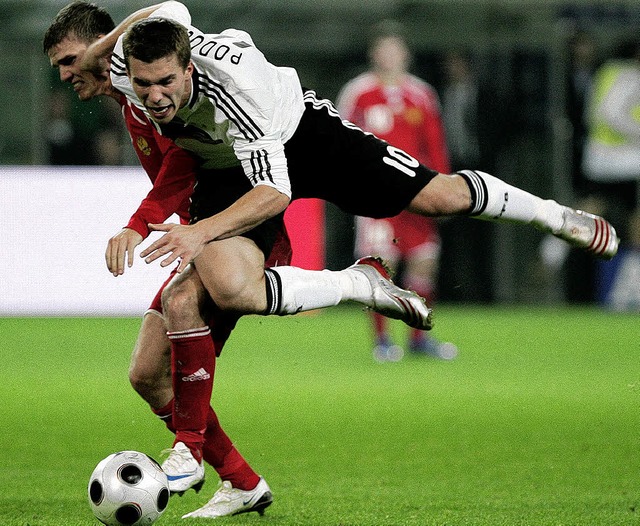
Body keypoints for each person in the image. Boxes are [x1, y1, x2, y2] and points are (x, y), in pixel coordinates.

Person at [83, 1, 619, 517]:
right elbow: (168, 8)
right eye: (143, 83)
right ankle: (211, 462)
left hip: (302, 137)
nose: (154, 96)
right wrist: (100, 50)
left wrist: (198, 232)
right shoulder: (127, 63)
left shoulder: (235, 90)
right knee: (193, 303)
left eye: (166, 83)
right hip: (233, 169)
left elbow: (274, 193)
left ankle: (553, 215)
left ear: (189, 66)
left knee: (439, 198)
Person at [43, 2, 294, 517]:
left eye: (70, 60)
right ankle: (243, 482)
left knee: (182, 305)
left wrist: (138, 225)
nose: (66, 74)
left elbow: (184, 164)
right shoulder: (134, 99)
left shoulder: (155, 95)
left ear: (101, 48)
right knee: (145, 375)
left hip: (238, 227)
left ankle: (190, 451)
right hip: (205, 229)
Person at [336, 20, 457, 361]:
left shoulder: (422, 93)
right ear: (374, 54)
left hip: (417, 193)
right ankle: (383, 341)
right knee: (382, 264)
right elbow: (340, 141)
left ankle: (418, 339)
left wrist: (443, 190)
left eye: (395, 49)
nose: (390, 56)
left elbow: (435, 147)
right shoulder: (357, 92)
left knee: (425, 262)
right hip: (375, 195)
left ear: (406, 54)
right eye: (383, 49)